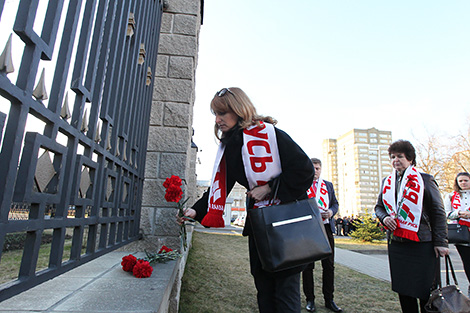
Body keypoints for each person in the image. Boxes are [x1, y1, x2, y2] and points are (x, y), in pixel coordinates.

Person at [179, 87, 314, 313]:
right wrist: (195, 210)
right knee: (264, 287)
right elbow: (221, 184)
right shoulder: (230, 145)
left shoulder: (271, 134)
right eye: (215, 113)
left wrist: (269, 188)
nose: (217, 119)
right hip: (260, 225)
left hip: (286, 223)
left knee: (285, 291)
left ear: (239, 110)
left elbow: (304, 170)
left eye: (222, 113)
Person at [374, 140, 449, 313]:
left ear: (410, 158)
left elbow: (438, 212)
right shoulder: (387, 181)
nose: (395, 160)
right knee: (404, 290)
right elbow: (379, 207)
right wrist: (384, 218)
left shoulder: (425, 180)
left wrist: (441, 242)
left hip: (422, 243)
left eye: (400, 156)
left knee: (425, 292)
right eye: (392, 157)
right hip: (398, 244)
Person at [302, 158, 342, 312]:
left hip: (326, 229)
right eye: (313, 168)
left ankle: (329, 299)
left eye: (318, 168)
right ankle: (310, 299)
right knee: (308, 266)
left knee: (329, 266)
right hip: (308, 230)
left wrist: (331, 212)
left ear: (321, 169)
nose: (315, 171)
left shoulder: (328, 185)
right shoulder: (303, 184)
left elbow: (335, 204)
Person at [444, 172, 470, 297]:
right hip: (462, 234)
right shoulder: (451, 196)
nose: (463, 183)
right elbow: (447, 213)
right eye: (460, 181)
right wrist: (459, 213)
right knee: (468, 262)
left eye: (466, 180)